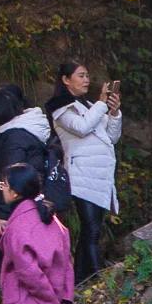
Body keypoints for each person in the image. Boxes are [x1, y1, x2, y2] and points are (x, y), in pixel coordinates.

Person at [46, 61, 122, 282]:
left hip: (99, 176)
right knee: (91, 228)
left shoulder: (89, 104)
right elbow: (81, 128)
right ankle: (99, 278)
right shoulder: (59, 107)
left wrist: (114, 113)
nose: (86, 79)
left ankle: (79, 280)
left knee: (93, 230)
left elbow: (111, 137)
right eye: (81, 76)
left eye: (88, 75)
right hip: (80, 174)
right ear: (66, 80)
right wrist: (100, 105)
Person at [0, 165, 74, 304]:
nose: (2, 188)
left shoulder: (19, 225)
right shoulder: (55, 222)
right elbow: (67, 263)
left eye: (4, 184)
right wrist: (64, 301)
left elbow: (28, 271)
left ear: (15, 192)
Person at [0, 86, 51, 188]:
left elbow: (12, 184)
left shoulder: (13, 139)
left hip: (22, 199)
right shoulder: (22, 131)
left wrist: (4, 202)